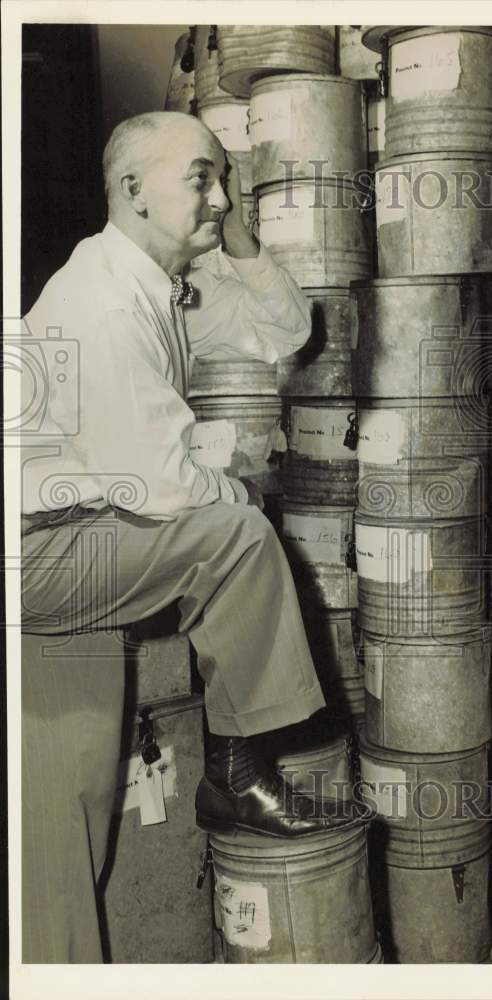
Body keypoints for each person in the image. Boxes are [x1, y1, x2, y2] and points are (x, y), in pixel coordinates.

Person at [20, 111, 360, 963]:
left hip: (84, 541)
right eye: (199, 179)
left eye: (223, 178)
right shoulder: (103, 303)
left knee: (76, 813)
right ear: (132, 192)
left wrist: (234, 224)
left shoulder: (156, 286)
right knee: (235, 534)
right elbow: (166, 486)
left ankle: (230, 774)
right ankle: (237, 775)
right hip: (41, 551)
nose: (216, 197)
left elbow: (284, 331)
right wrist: (235, 491)